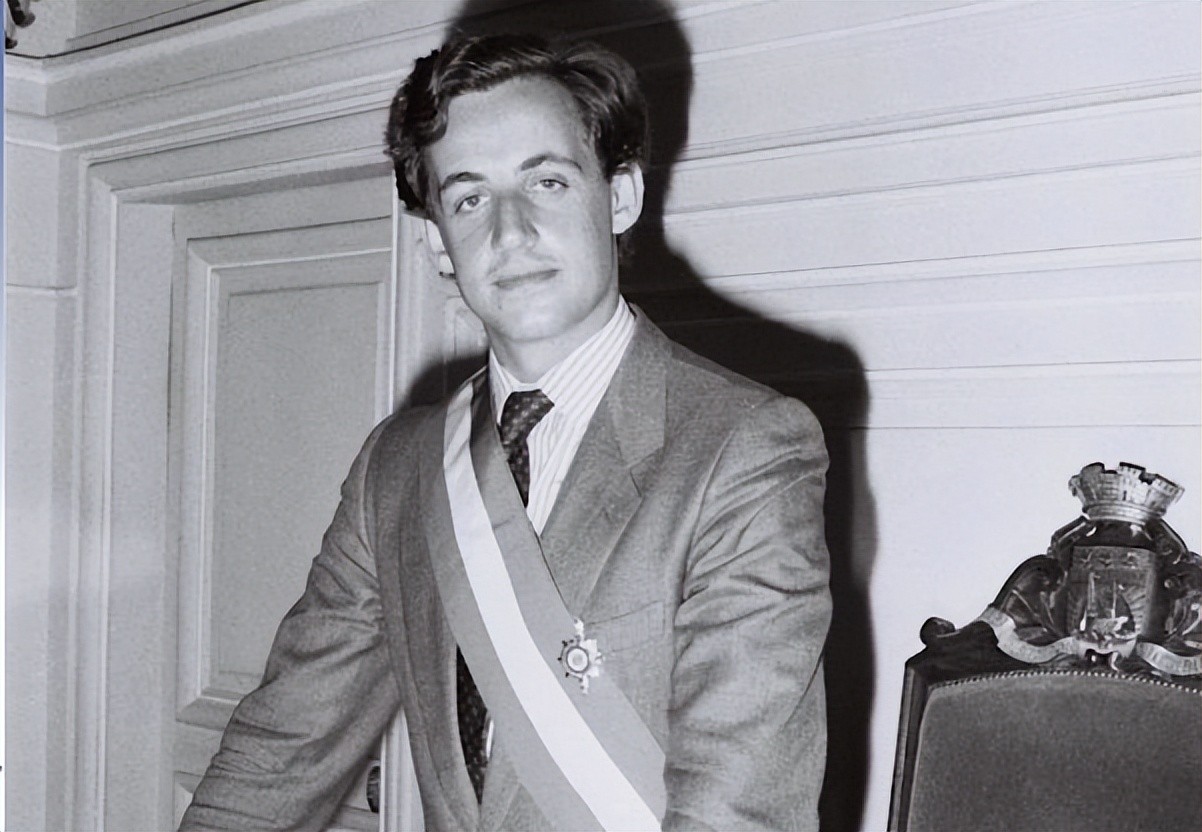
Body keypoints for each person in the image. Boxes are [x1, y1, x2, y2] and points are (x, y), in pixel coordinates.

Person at [181, 32, 830, 832]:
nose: (509, 231)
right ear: (437, 243)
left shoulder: (742, 448)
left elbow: (739, 808)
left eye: (546, 182)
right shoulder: (399, 468)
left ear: (620, 196)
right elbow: (280, 752)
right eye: (469, 198)